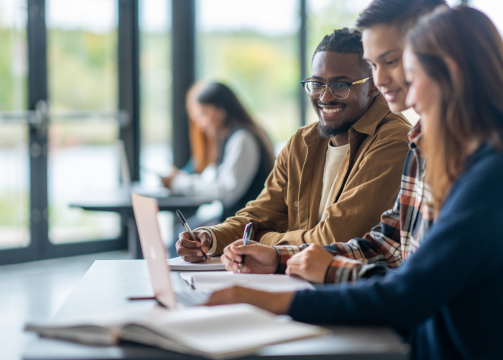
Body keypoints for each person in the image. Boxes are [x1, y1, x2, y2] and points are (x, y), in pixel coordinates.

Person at [207, 6, 503, 360]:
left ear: (450, 73)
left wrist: (275, 300)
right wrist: (281, 258)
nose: (404, 93)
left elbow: (409, 294)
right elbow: (390, 244)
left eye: (407, 73)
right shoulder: (442, 151)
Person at [222, 0, 447, 283]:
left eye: (393, 62)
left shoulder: (420, 144)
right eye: (376, 65)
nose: (383, 80)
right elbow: (384, 247)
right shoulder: (421, 142)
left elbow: (418, 286)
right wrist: (278, 256)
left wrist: (270, 246)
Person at [176, 28, 413, 262]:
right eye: (317, 84)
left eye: (341, 85)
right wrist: (210, 237)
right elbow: (258, 215)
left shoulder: (393, 141)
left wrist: (261, 240)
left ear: (373, 85)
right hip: (294, 278)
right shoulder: (303, 142)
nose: (325, 97)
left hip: (350, 288)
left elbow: (334, 239)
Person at [162, 82, 275, 221]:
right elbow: (213, 179)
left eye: (203, 114)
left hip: (245, 226)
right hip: (236, 221)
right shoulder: (228, 138)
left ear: (221, 110)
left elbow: (227, 191)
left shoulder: (242, 138)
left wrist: (179, 183)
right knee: (183, 234)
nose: (201, 124)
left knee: (181, 238)